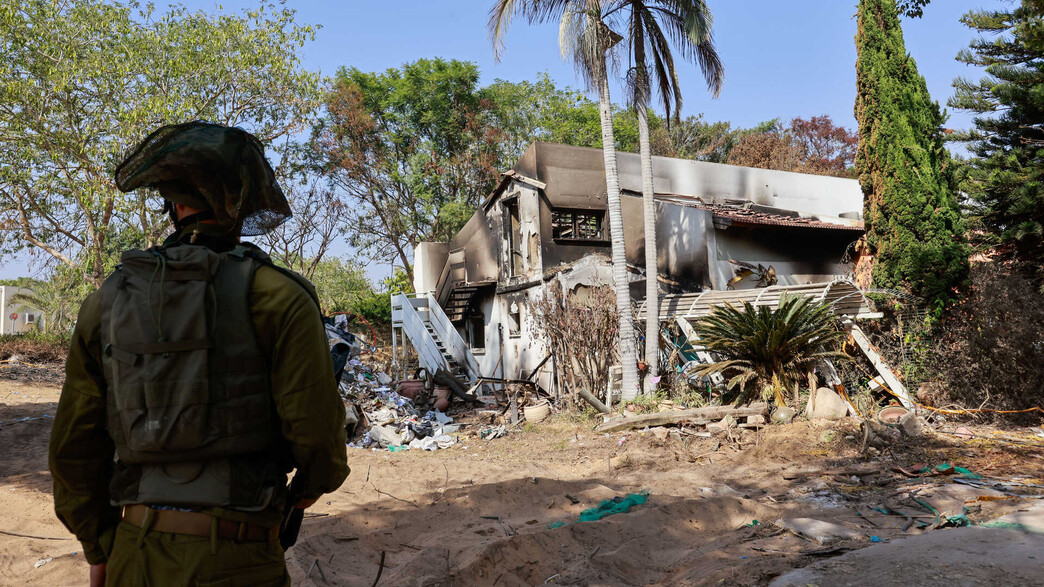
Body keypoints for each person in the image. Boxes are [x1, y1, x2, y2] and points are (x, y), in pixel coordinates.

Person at [48, 121, 349, 586]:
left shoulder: (107, 301)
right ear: (239, 202)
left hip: (134, 551)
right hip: (239, 556)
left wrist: (99, 546)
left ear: (175, 203)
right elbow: (317, 432)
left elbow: (73, 450)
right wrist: (307, 491)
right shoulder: (279, 296)